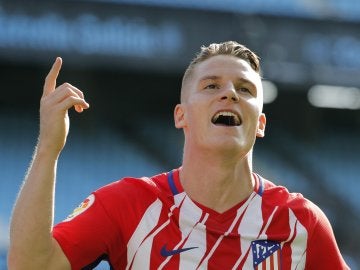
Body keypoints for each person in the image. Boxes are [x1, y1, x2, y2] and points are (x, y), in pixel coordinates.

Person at [8, 41, 349, 269]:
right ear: (180, 115)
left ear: (260, 123)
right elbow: (30, 265)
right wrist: (48, 150)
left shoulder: (302, 223)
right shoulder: (128, 205)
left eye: (244, 89)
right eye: (211, 85)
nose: (229, 94)